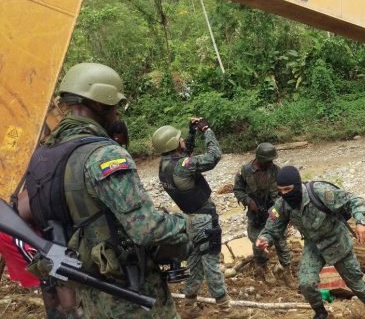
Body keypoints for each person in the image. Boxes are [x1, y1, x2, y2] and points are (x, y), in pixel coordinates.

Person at [24, 62, 191, 318]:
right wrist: (186, 226)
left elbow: (29, 210)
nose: (116, 114)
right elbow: (146, 228)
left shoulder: (46, 155)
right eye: (114, 105)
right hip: (130, 294)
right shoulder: (104, 154)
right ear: (100, 104)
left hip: (89, 291)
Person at [255, 166, 365, 319]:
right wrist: (264, 239)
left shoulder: (320, 192)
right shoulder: (282, 205)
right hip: (314, 246)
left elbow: (353, 200)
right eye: (280, 190)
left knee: (356, 283)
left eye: (288, 189)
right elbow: (272, 227)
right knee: (306, 283)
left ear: (297, 184)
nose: (284, 194)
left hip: (337, 242)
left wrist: (360, 221)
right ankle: (320, 312)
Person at [152, 118, 229, 307]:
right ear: (175, 143)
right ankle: (224, 305)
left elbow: (183, 154)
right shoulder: (183, 166)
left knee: (195, 261)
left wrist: (192, 133)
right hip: (204, 219)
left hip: (189, 219)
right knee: (211, 260)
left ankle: (190, 302)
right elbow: (214, 155)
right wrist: (206, 130)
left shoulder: (164, 165)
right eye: (180, 139)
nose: (182, 140)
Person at [233, 142, 293, 284]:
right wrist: (248, 201)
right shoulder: (244, 171)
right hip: (256, 216)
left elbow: (283, 192)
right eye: (268, 160)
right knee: (258, 244)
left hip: (274, 213)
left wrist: (280, 208)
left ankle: (286, 270)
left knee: (281, 242)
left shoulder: (276, 171)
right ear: (259, 158)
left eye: (272, 160)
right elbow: (238, 190)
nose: (271, 163)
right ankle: (265, 268)